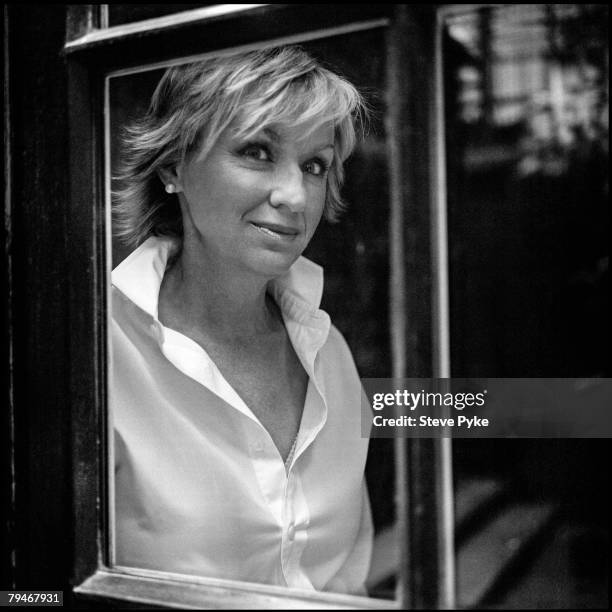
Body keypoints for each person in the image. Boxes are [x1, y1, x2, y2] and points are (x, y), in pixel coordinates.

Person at [111, 46, 372, 595]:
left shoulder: (330, 353)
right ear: (173, 166)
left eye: (314, 165)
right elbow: (28, 590)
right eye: (257, 151)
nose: (296, 196)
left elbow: (351, 585)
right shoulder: (99, 352)